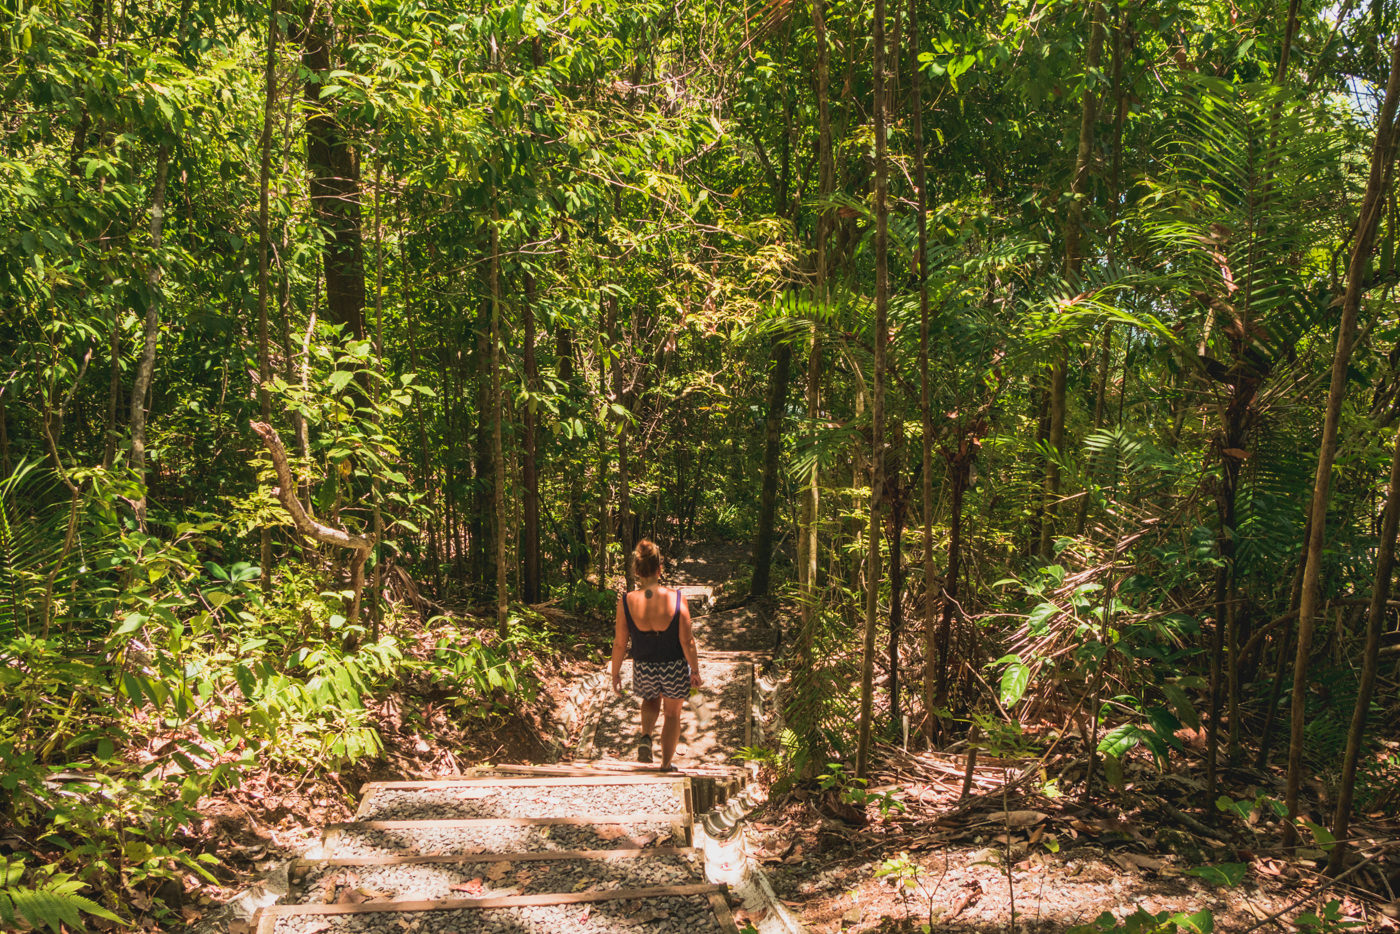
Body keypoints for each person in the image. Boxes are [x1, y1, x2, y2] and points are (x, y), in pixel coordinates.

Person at [610, 539, 702, 771]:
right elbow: (687, 640)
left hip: (643, 665)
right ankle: (666, 764)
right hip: (674, 665)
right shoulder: (677, 599)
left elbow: (620, 643)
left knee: (650, 700)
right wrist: (695, 670)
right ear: (659, 569)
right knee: (672, 714)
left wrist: (615, 673)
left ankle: (646, 737)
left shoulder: (626, 601)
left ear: (637, 571)